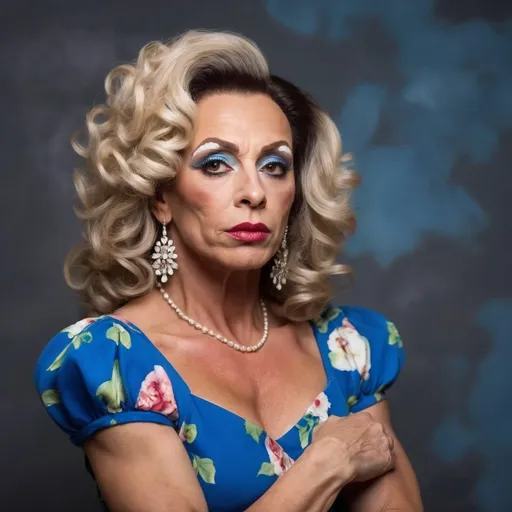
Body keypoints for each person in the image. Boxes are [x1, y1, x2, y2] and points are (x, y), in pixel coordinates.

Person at [34, 29, 422, 512]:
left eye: (275, 166)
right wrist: (330, 461)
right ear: (160, 196)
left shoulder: (348, 350)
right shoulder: (115, 364)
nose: (253, 193)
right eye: (215, 164)